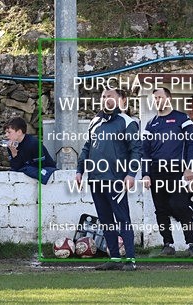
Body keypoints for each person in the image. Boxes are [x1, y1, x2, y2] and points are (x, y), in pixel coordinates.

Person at [76, 88, 140, 271]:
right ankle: (114, 258)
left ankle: (130, 259)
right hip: (95, 179)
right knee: (105, 220)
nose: (106, 99)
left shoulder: (128, 122)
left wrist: (131, 174)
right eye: (103, 96)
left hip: (117, 180)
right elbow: (86, 148)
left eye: (110, 96)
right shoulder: (95, 121)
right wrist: (79, 171)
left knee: (122, 218)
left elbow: (136, 151)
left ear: (120, 100)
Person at [142, 87, 193, 257]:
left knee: (179, 205)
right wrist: (145, 174)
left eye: (160, 97)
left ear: (169, 98)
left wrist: (189, 167)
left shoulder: (182, 118)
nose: (157, 101)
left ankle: (191, 244)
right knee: (161, 210)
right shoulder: (151, 124)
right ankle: (168, 244)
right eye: (155, 98)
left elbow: (192, 144)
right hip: (156, 172)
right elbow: (145, 152)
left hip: (176, 170)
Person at [4, 117, 57, 184]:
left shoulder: (34, 143)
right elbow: (15, 168)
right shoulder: (11, 146)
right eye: (5, 132)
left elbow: (40, 166)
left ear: (19, 132)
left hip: (49, 179)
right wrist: (14, 153)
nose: (6, 135)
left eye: (9, 132)